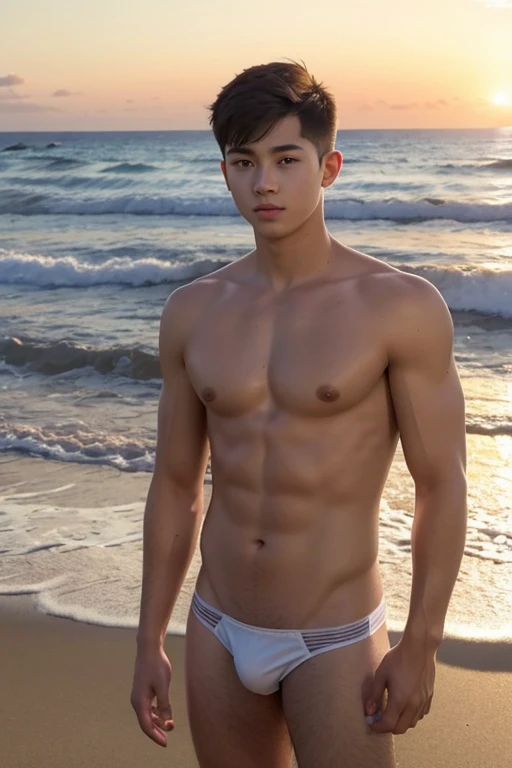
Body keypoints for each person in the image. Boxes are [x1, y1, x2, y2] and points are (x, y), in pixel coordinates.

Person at [130, 59, 467, 768]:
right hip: (217, 626)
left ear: (330, 166)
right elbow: (175, 484)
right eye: (244, 162)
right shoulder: (192, 313)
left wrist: (422, 643)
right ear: (225, 173)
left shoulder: (398, 307)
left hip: (335, 635)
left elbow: (442, 482)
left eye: (287, 159)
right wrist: (149, 638)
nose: (265, 184)